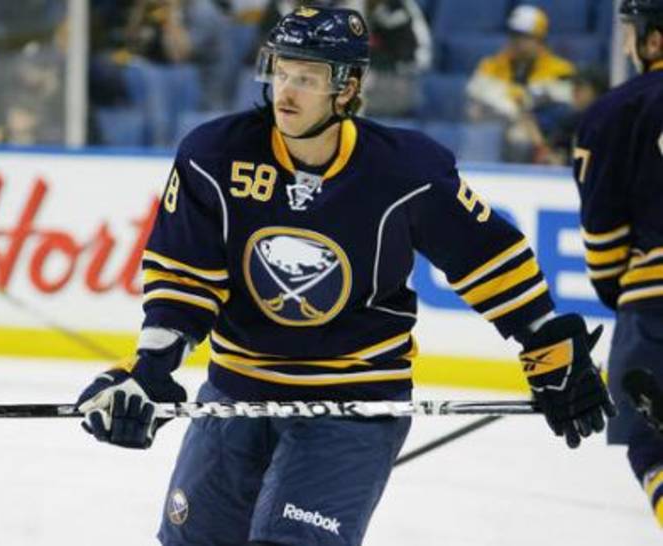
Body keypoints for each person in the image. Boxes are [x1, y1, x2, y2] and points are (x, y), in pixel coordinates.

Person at [76, 8, 615, 545]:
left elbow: (487, 257)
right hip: (235, 392)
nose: (287, 92)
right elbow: (184, 282)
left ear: (347, 88)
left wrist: (545, 339)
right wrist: (149, 370)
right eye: (282, 71)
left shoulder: (404, 171)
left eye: (307, 78)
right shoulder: (212, 157)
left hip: (352, 404)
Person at [573, 0, 663, 527]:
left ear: (653, 40)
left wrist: (624, 300)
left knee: (654, 447)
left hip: (655, 308)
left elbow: (603, 235)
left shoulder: (617, 110)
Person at [466, 4, 576, 162]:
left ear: (540, 40)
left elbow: (565, 101)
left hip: (540, 135)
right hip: (498, 127)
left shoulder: (561, 69)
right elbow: (475, 92)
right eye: (513, 35)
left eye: (525, 37)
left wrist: (519, 98)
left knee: (521, 136)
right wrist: (518, 102)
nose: (517, 42)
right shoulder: (491, 65)